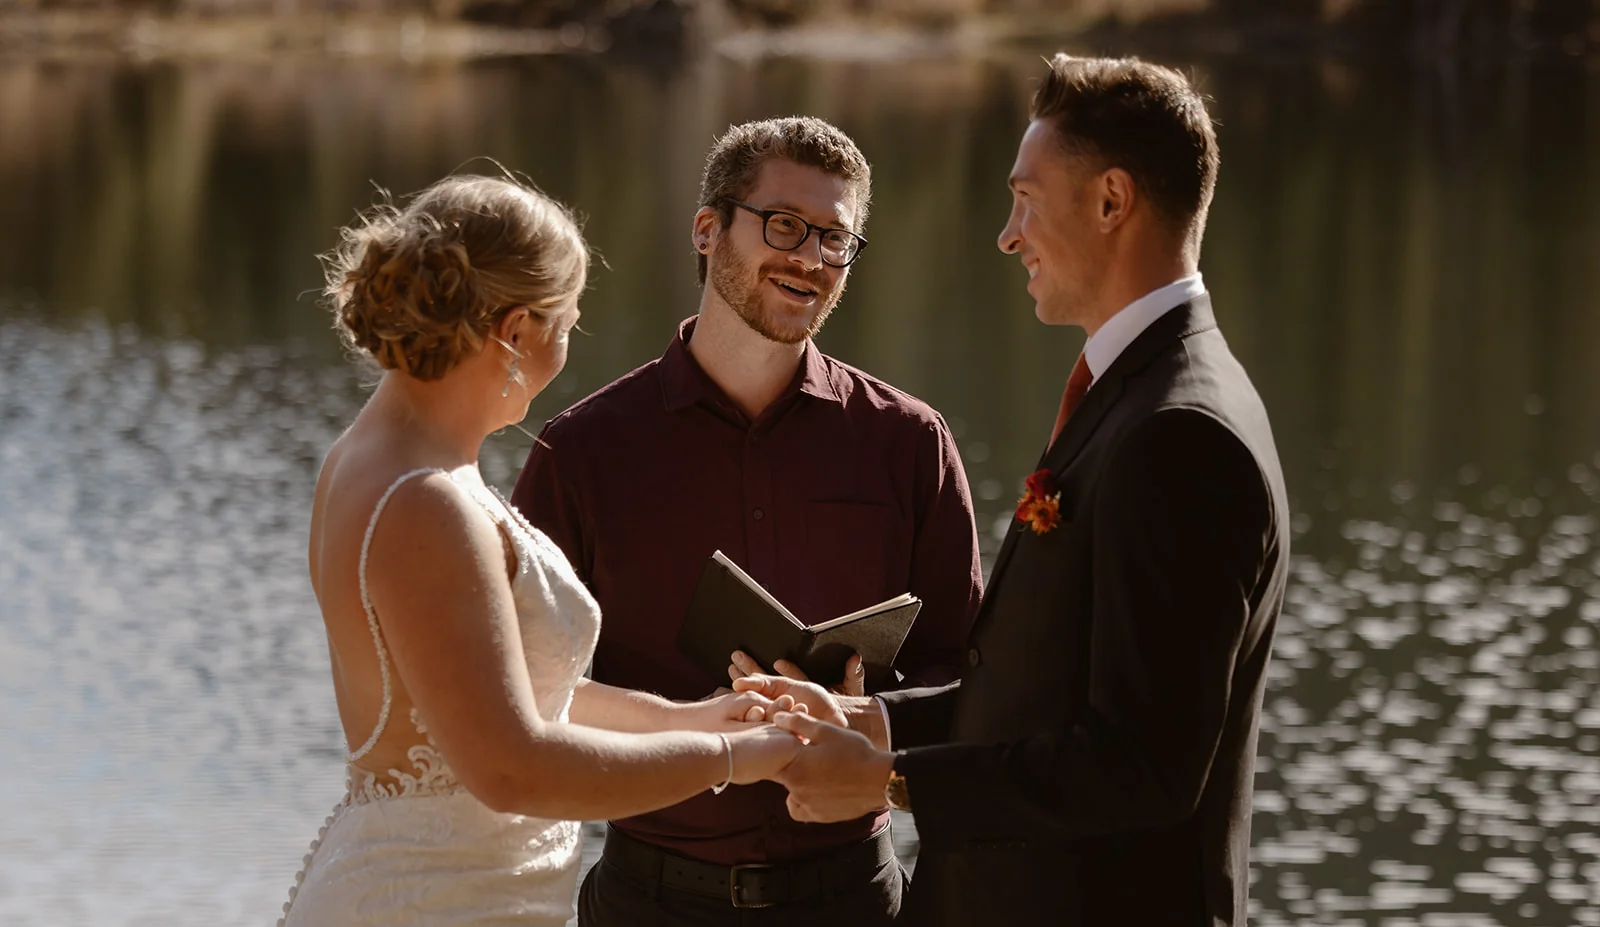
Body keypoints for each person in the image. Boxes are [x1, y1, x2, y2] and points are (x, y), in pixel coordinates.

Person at [737, 55, 1292, 927]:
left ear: (1112, 202)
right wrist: (869, 720)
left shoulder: (1181, 434)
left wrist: (886, 782)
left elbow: (1142, 766)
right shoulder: (1139, 394)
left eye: (1026, 198)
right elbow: (1041, 694)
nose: (1007, 233)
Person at [276, 174, 804, 927]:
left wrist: (690, 719)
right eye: (569, 324)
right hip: (432, 903)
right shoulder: (424, 498)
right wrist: (735, 761)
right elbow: (510, 767)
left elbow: (501, 688)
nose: (564, 350)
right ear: (518, 330)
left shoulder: (388, 454)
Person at [510, 116, 983, 925]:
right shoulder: (582, 451)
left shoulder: (910, 444)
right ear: (708, 228)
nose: (810, 258)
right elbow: (524, 688)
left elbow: (973, 683)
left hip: (854, 899)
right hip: (648, 899)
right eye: (785, 225)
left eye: (836, 239)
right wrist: (690, 736)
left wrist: (866, 714)